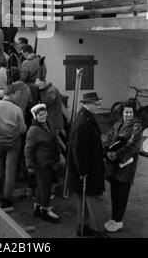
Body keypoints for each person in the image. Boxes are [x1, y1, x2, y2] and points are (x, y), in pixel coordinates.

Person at [68, 92, 108, 238]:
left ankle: (83, 227)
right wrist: (83, 171)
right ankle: (98, 231)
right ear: (87, 104)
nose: (99, 106)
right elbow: (78, 149)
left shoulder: (85, 116)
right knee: (95, 199)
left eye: (99, 103)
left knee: (82, 200)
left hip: (82, 169)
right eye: (96, 104)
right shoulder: (83, 122)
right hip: (87, 170)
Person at [103, 99, 142, 233]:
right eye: (126, 112)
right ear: (122, 112)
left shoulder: (136, 126)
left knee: (122, 194)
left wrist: (114, 154)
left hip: (126, 166)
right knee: (114, 193)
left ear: (133, 113)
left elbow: (132, 147)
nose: (128, 115)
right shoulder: (117, 123)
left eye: (131, 112)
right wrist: (106, 150)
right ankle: (113, 218)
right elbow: (108, 139)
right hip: (114, 166)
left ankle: (118, 221)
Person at [0, 85, 26, 208]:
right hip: (13, 142)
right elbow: (23, 129)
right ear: (12, 94)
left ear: (4, 94)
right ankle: (6, 198)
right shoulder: (17, 109)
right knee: (10, 168)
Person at [24, 103, 60, 223]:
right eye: (39, 115)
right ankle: (45, 210)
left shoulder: (48, 125)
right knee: (46, 187)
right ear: (35, 116)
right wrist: (29, 165)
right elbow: (28, 148)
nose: (42, 116)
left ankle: (38, 207)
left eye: (44, 113)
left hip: (49, 161)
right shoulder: (33, 130)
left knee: (42, 186)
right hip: (41, 164)